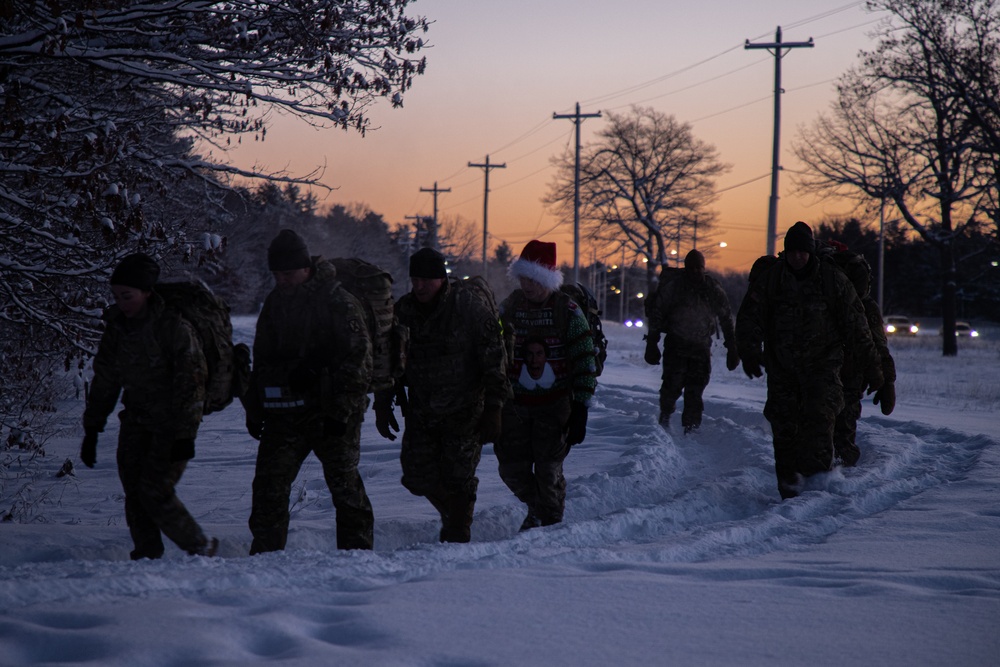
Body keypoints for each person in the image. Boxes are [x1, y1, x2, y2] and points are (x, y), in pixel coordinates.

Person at [243, 229, 374, 554]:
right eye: (276, 275)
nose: (282, 280)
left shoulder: (338, 301)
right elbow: (262, 358)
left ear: (306, 268)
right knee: (269, 486)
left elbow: (360, 362)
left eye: (288, 273)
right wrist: (255, 407)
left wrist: (341, 412)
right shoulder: (276, 303)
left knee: (345, 487)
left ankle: (356, 558)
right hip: (285, 413)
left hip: (332, 412)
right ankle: (265, 558)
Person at [81, 253, 218, 559]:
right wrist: (92, 427)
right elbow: (105, 379)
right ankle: (147, 555)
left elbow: (192, 383)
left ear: (146, 292)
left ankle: (201, 548)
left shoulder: (174, 328)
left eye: (127, 296)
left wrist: (185, 434)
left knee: (154, 490)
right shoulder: (118, 328)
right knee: (134, 492)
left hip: (172, 424)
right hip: (136, 421)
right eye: (116, 296)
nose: (121, 302)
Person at [735, 222, 883, 499]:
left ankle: (815, 491)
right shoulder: (773, 279)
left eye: (802, 252)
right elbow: (748, 317)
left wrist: (874, 367)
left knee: (819, 421)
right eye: (792, 252)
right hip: (783, 369)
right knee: (784, 428)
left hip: (823, 366)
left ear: (811, 252)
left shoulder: (832, 280)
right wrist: (749, 352)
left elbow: (857, 326)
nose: (797, 258)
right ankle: (789, 490)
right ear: (786, 253)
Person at [373, 248, 509, 543]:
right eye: (415, 279)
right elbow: (387, 360)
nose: (419, 286)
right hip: (423, 410)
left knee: (458, 479)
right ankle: (455, 514)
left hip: (465, 409)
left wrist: (494, 409)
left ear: (442, 279)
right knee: (415, 477)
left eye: (426, 280)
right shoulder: (405, 310)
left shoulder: (469, 309)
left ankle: (457, 534)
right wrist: (382, 403)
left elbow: (496, 362)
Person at [497, 240, 597, 529]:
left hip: (555, 408)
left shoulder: (568, 311)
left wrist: (581, 407)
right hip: (515, 408)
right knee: (511, 470)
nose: (527, 285)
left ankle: (547, 529)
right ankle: (539, 508)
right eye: (523, 278)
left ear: (546, 279)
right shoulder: (511, 307)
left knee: (547, 471)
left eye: (533, 279)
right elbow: (492, 342)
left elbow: (584, 360)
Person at [644, 249, 740, 433]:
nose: (696, 271)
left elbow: (726, 318)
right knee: (671, 386)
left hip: (701, 347)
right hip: (676, 345)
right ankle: (665, 417)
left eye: (699, 268)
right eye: (692, 268)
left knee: (696, 390)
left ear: (704, 268)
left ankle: (692, 427)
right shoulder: (674, 287)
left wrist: (732, 348)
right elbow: (657, 314)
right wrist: (652, 343)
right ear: (686, 268)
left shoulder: (712, 288)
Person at [820, 242, 897, 466]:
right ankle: (836, 466)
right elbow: (879, 345)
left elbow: (876, 343)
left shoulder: (837, 301)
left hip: (843, 372)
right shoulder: (861, 304)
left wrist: (886, 380)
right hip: (841, 373)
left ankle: (834, 468)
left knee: (835, 423)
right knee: (840, 423)